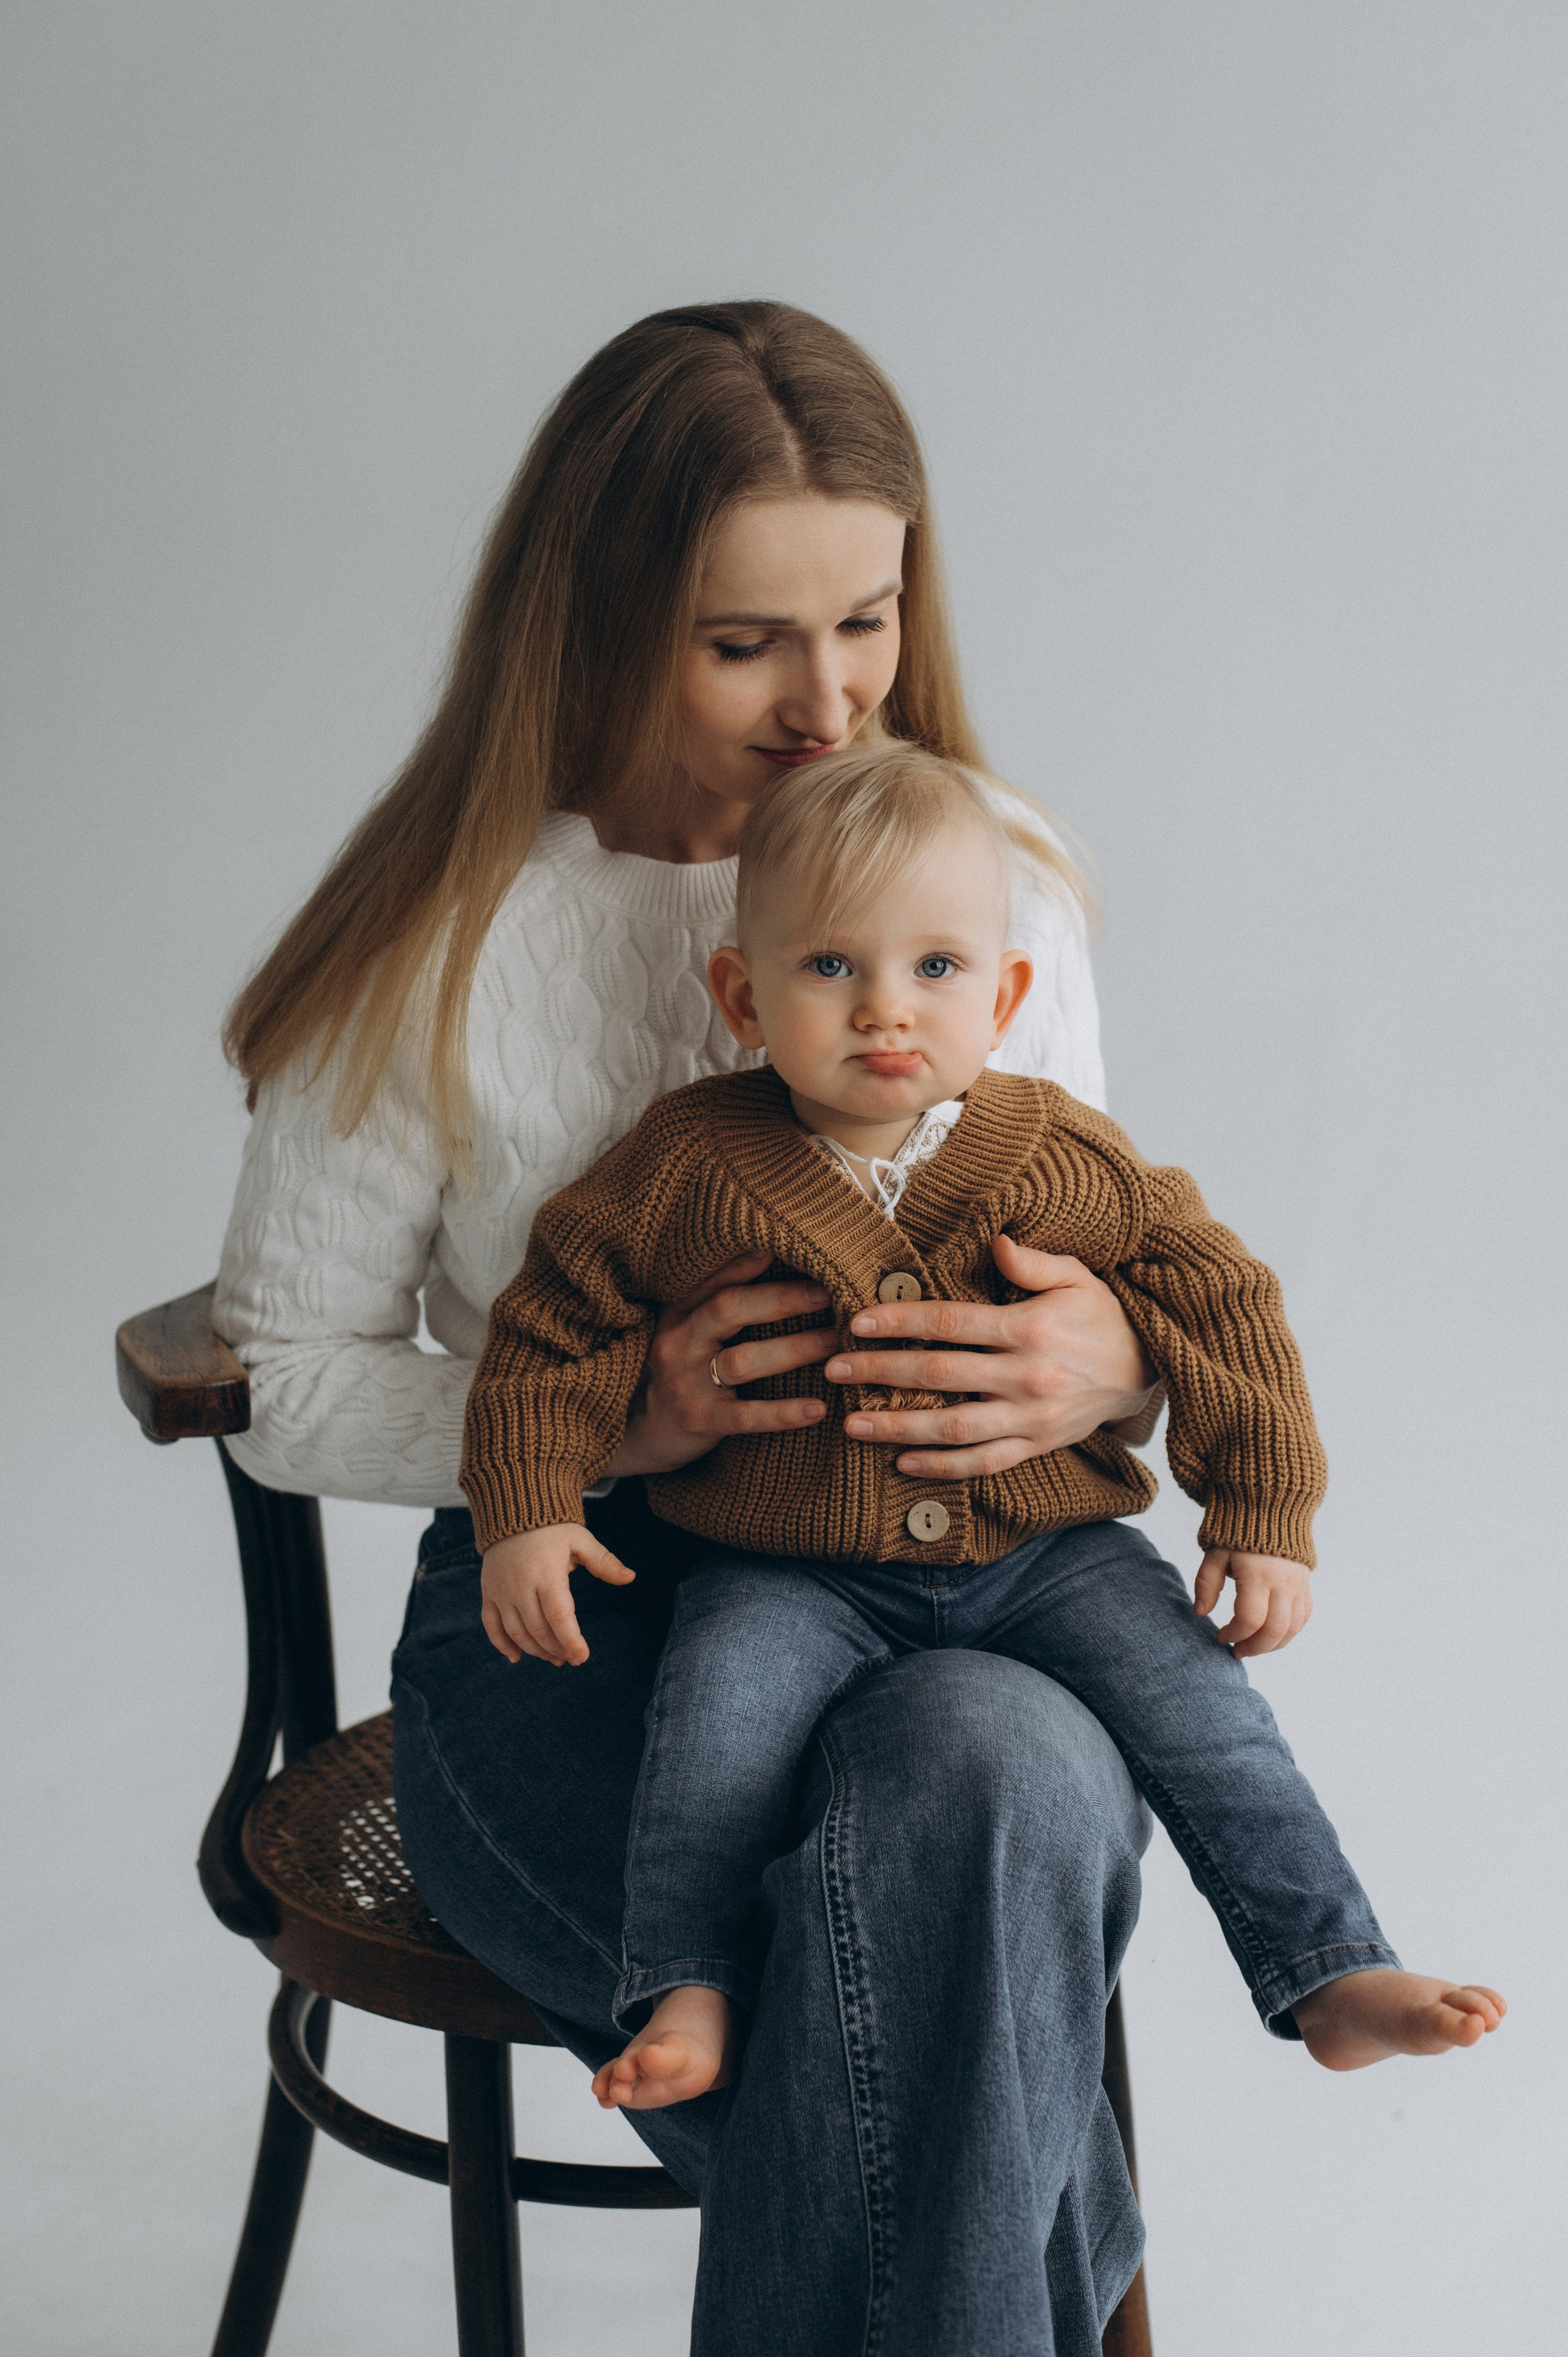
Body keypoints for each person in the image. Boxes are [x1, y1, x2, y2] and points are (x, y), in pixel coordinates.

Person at [211, 300, 1285, 2351]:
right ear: (603, 615)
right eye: (745, 640)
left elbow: (1116, 1244)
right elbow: (274, 1374)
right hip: (583, 1645)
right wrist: (606, 1417)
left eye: (867, 621)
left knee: (987, 1783)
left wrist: (1114, 1361)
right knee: (930, 1937)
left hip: (970, 1599)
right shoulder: (443, 942)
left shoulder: (997, 879)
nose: (830, 698)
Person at [462, 742, 1504, 2114]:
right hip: (787, 1568)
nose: (885, 1009)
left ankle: (1326, 1966)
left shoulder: (1057, 1150)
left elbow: (1219, 1304)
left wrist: (1260, 1515)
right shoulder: (690, 1161)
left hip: (1046, 1553)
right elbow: (551, 1330)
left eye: (936, 968)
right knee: (709, 1730)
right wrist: (528, 1507)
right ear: (742, 994)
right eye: (830, 967)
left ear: (1005, 993)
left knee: (1205, 1717)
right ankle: (688, 1982)